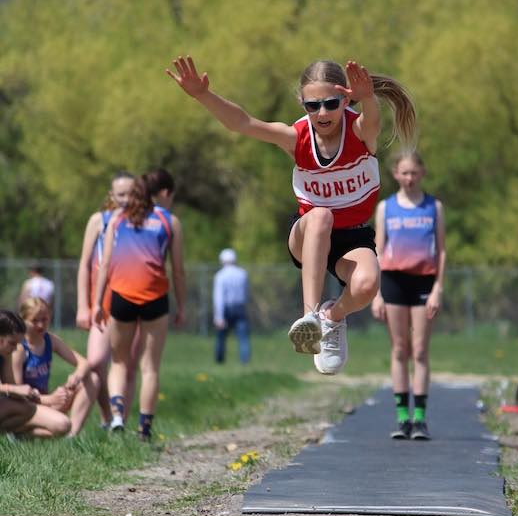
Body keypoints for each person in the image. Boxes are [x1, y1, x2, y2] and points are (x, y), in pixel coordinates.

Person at [166, 55, 416, 375]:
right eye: (313, 106)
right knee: (321, 215)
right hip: (308, 233)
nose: (322, 113)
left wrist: (367, 97)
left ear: (345, 100)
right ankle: (310, 316)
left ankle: (331, 318)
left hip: (352, 235)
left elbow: (373, 120)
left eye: (331, 103)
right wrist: (202, 95)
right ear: (302, 104)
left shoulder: (359, 131)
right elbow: (242, 123)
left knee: (367, 285)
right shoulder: (296, 138)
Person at [92, 172, 186, 439]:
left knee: (119, 361)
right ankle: (144, 429)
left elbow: (105, 265)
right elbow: (178, 271)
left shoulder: (117, 219)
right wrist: (181, 306)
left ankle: (118, 416)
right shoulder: (169, 222)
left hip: (121, 296)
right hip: (155, 298)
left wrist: (98, 303)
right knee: (150, 367)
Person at [371, 152, 446, 440]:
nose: (409, 178)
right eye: (404, 173)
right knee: (400, 349)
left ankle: (420, 418)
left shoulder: (433, 207)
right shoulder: (385, 208)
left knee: (420, 350)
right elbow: (377, 250)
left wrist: (438, 288)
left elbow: (441, 251)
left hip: (424, 280)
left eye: (414, 173)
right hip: (393, 281)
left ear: (422, 173)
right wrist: (377, 293)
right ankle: (402, 417)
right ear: (395, 174)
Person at [76, 172, 135, 426]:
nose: (126, 199)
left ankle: (121, 422)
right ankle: (106, 415)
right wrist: (83, 305)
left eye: (131, 193)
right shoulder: (99, 221)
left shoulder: (140, 221)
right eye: (121, 194)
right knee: (97, 361)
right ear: (112, 195)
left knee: (127, 363)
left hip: (130, 302)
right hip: (101, 304)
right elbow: (85, 264)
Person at [12, 297, 100, 437]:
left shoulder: (50, 340)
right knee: (61, 426)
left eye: (45, 319)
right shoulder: (19, 348)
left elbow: (84, 363)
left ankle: (72, 437)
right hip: (26, 407)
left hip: (46, 402)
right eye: (34, 321)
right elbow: (17, 394)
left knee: (93, 379)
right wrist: (50, 399)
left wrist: (76, 377)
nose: (41, 325)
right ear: (23, 321)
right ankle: (21, 433)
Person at [0, 309, 70, 439]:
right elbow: (9, 388)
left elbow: (9, 385)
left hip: (9, 405)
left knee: (63, 424)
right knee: (23, 407)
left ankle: (17, 435)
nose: (15, 349)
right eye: (12, 343)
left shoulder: (5, 354)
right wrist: (48, 400)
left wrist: (33, 395)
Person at [213, 248, 251, 364]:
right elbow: (246, 293)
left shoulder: (220, 276)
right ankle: (245, 361)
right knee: (243, 337)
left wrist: (219, 316)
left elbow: (218, 298)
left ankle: (219, 360)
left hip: (226, 308)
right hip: (240, 307)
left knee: (221, 337)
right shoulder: (242, 274)